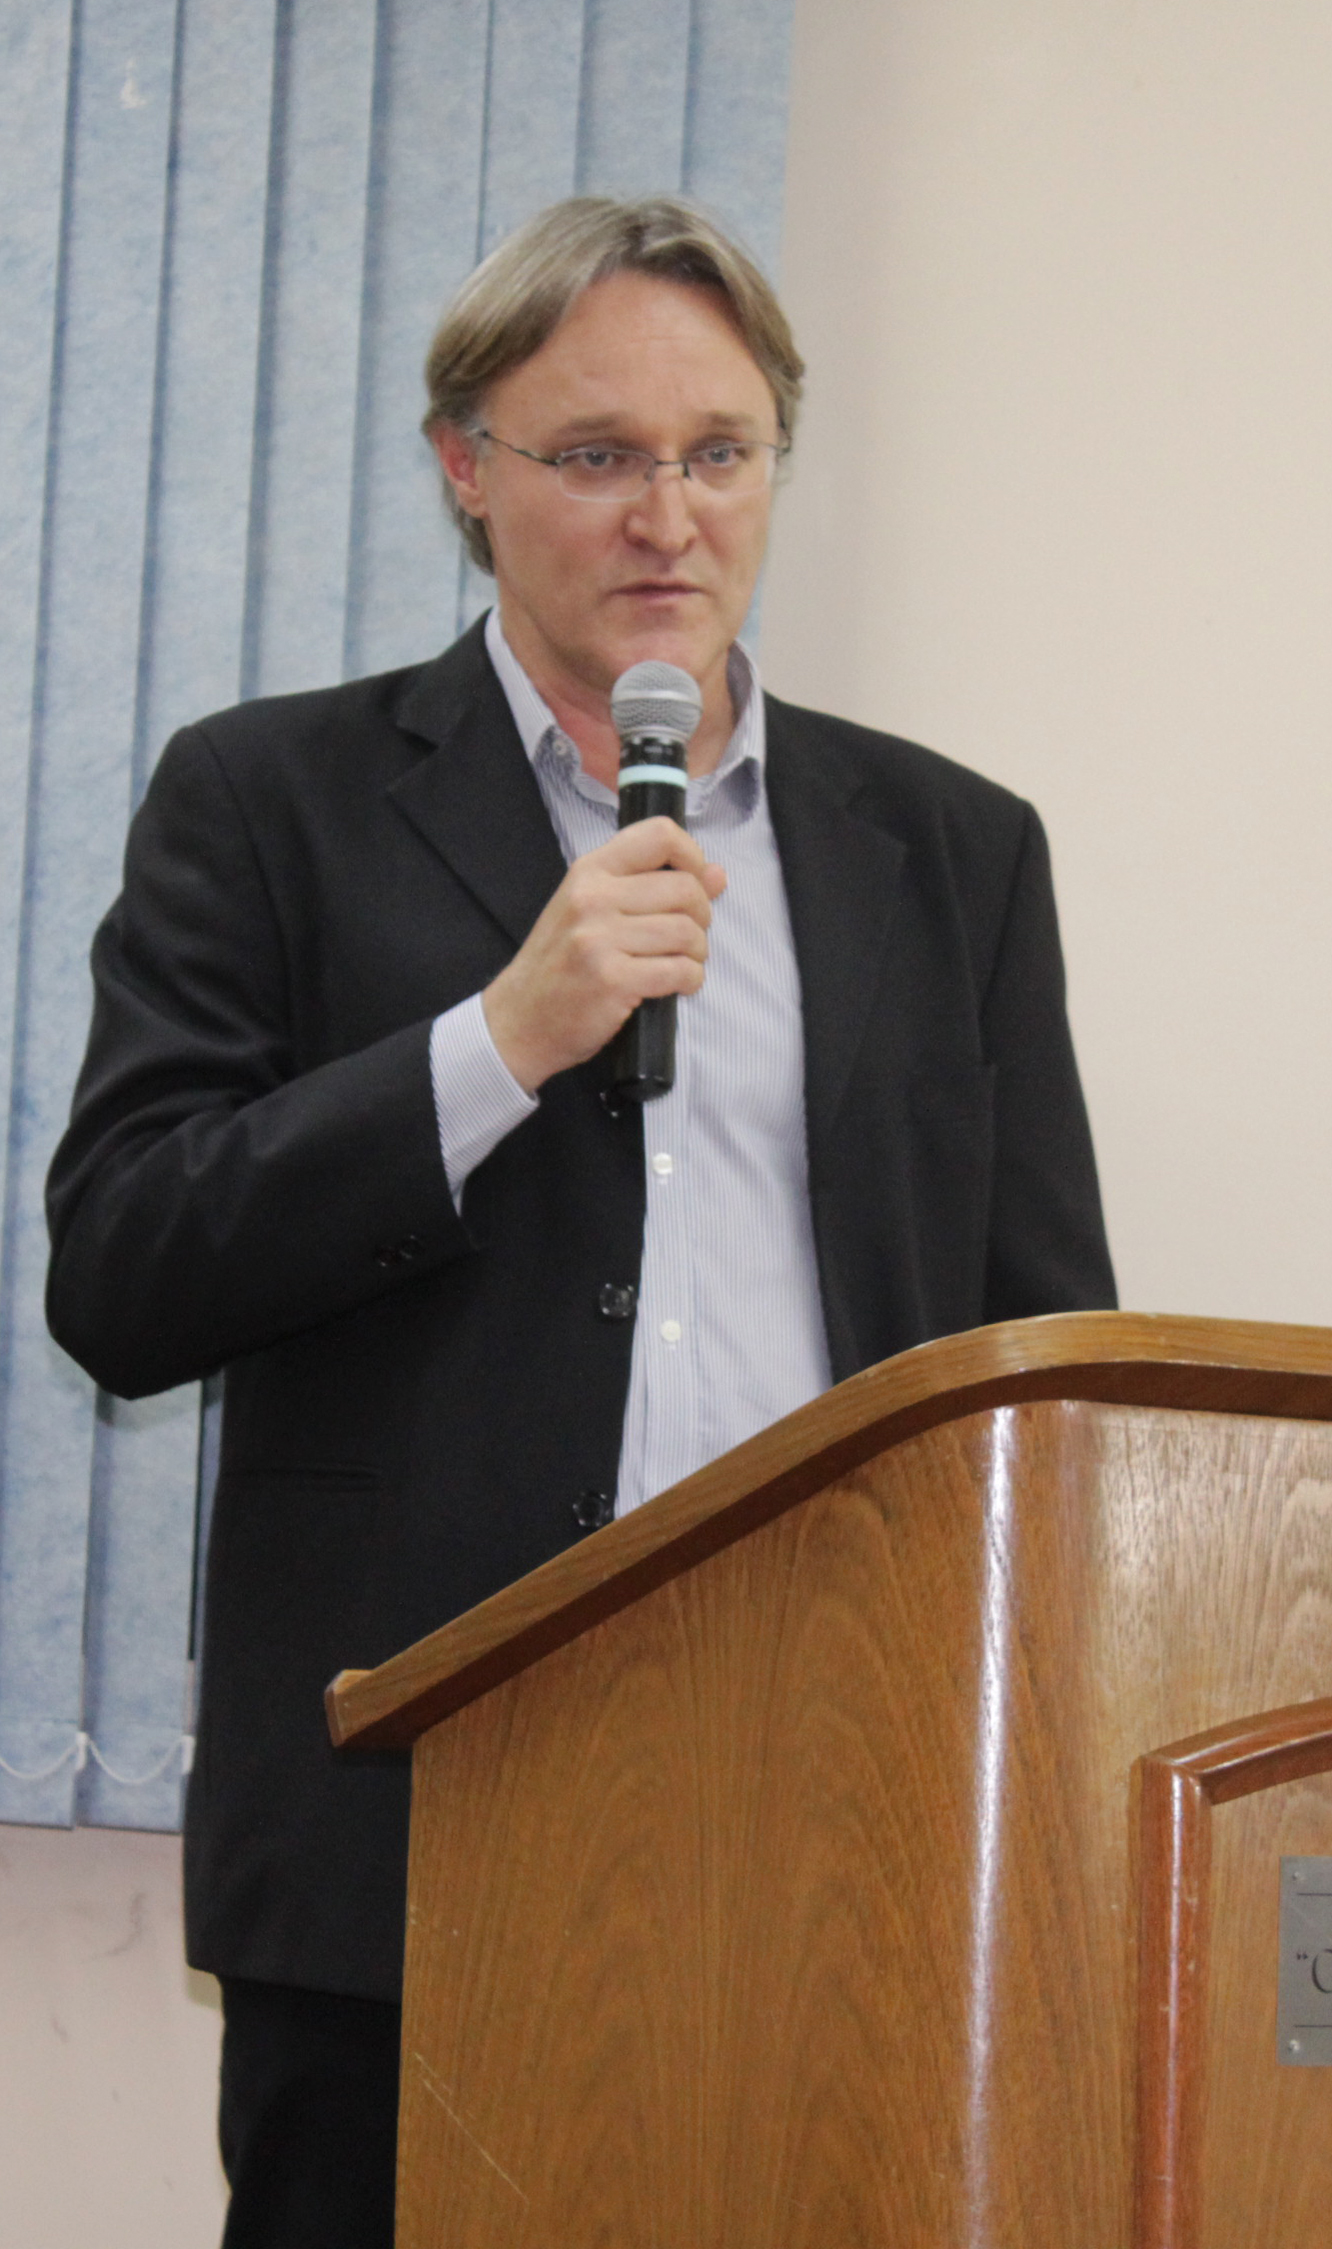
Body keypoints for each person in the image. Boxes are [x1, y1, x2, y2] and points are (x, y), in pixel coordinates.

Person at [44, 197, 1116, 2248]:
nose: (667, 516)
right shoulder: (269, 798)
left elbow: (1033, 1352)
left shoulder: (949, 849)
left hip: (839, 1815)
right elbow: (122, 1269)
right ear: (466, 466)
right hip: (410, 1814)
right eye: (598, 453)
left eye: (718, 452)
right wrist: (499, 1042)